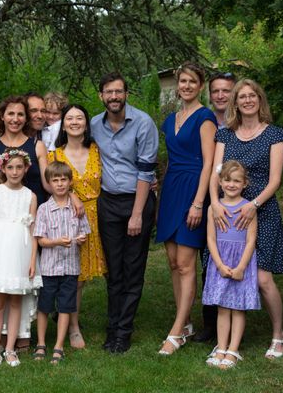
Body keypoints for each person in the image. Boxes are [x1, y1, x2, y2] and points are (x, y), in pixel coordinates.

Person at [210, 79, 283, 360]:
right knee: (227, 272)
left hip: (260, 212)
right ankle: (226, 341)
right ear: (235, 102)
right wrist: (215, 204)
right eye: (241, 96)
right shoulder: (225, 135)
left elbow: (276, 179)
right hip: (227, 215)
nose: (247, 100)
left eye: (252, 95)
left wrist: (253, 204)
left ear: (259, 99)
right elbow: (214, 173)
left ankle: (278, 334)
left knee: (263, 278)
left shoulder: (274, 135)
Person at [90, 72, 158, 354]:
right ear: (101, 96)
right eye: (109, 92)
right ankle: (112, 327)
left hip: (136, 201)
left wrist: (137, 214)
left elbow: (146, 171)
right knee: (114, 271)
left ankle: (124, 333)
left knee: (133, 269)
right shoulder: (94, 124)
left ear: (126, 94)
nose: (114, 97)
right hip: (108, 203)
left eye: (119, 91)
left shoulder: (143, 123)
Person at [157, 62, 217, 355]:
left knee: (186, 263)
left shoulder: (205, 118)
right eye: (182, 81)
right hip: (171, 189)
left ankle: (177, 331)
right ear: (177, 84)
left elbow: (209, 163)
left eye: (192, 81)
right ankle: (188, 322)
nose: (186, 86)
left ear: (200, 85)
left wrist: (198, 202)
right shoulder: (170, 120)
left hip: (194, 189)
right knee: (171, 262)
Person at [0, 148, 41, 368]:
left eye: (19, 167)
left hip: (20, 252)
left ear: (26, 169)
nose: (14, 172)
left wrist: (32, 261)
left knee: (16, 302)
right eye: (10, 167)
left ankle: (11, 348)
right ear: (2, 168)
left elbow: (32, 232)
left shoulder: (30, 196)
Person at [48, 104, 106, 349]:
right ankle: (73, 326)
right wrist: (71, 194)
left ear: (86, 122)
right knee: (75, 277)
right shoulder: (55, 156)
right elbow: (52, 185)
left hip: (100, 215)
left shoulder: (97, 150)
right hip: (69, 218)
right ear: (63, 124)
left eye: (79, 118)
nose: (74, 122)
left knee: (93, 274)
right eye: (69, 118)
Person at [202, 161, 260, 369]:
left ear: (245, 183)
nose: (232, 184)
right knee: (223, 308)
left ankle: (233, 351)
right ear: (220, 181)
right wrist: (218, 264)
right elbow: (210, 238)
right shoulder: (213, 208)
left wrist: (241, 267)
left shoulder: (248, 208)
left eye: (237, 181)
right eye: (227, 180)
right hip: (220, 261)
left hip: (241, 262)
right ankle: (221, 348)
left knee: (237, 308)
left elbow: (251, 240)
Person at [33, 161, 90, 365]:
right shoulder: (44, 209)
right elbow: (40, 239)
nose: (59, 184)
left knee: (66, 306)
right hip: (49, 268)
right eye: (55, 180)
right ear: (49, 183)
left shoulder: (77, 208)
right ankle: (41, 343)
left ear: (70, 182)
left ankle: (58, 345)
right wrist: (56, 241)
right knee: (44, 306)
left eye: (63, 180)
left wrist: (81, 238)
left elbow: (84, 231)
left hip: (70, 267)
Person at [197, 71, 238, 343]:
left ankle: (235, 324)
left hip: (237, 201)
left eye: (226, 90)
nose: (221, 95)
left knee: (235, 259)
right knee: (210, 260)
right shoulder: (207, 121)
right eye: (216, 91)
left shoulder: (241, 123)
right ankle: (211, 324)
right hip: (213, 201)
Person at [0, 95, 49, 206]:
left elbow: (48, 185)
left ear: (26, 118)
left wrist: (70, 195)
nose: (15, 119)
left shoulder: (38, 146)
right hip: (3, 212)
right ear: (2, 117)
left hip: (35, 211)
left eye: (20, 114)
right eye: (11, 114)